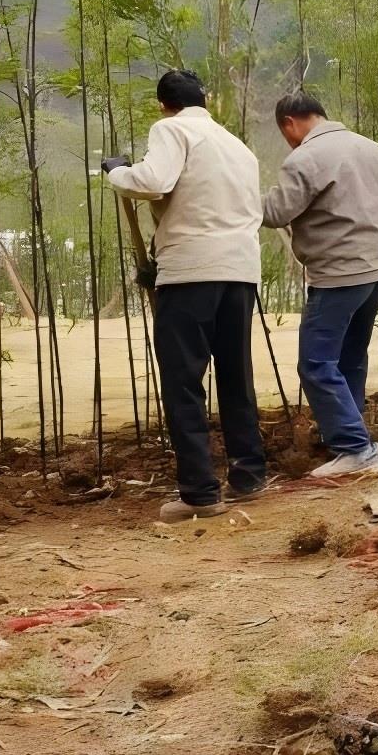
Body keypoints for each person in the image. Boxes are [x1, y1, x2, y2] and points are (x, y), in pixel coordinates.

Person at [102, 70, 268, 521]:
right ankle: (249, 475)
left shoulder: (170, 129)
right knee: (236, 375)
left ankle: (199, 492)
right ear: (206, 99)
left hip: (192, 271)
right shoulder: (238, 146)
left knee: (182, 383)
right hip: (240, 271)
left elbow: (153, 181)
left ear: (162, 104)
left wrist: (118, 171)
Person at [261, 91, 378, 479]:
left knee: (315, 363)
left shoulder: (304, 158)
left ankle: (355, 448)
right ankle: (350, 434)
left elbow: (277, 212)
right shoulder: (371, 148)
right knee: (350, 357)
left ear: (289, 124)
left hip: (337, 275)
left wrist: (234, 200)